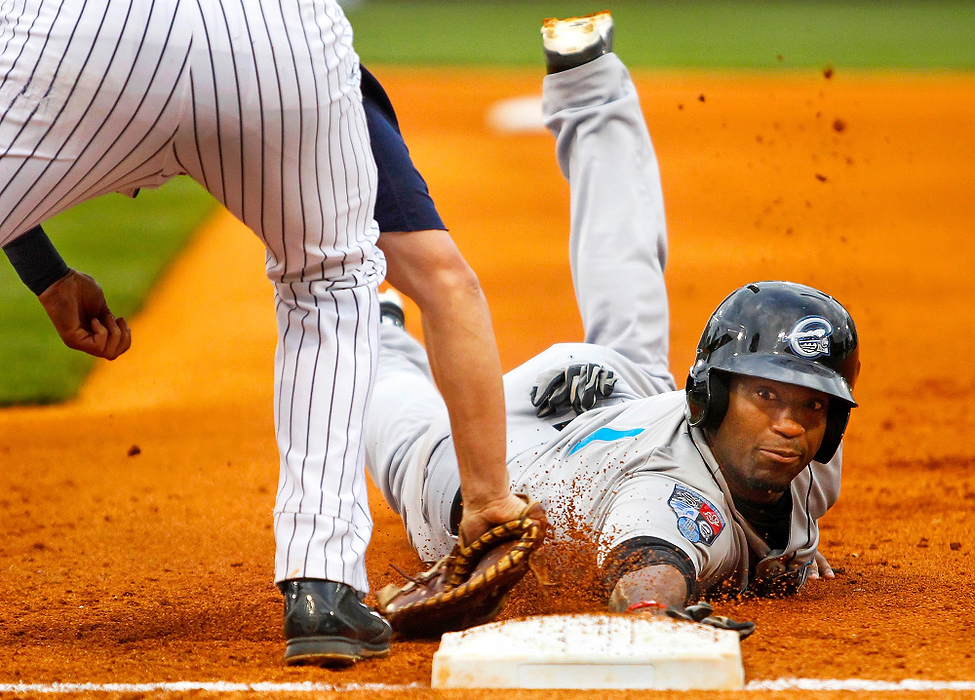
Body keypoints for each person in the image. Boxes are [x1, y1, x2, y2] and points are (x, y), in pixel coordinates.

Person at [0, 0, 522, 666]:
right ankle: (322, 587)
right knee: (328, 285)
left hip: (88, 35)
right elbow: (445, 282)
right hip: (273, 40)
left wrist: (44, 271)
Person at [365, 11, 860, 629]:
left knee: (633, 317)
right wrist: (654, 608)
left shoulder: (807, 462)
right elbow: (648, 570)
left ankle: (588, 81)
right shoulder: (672, 499)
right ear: (710, 392)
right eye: (766, 395)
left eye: (811, 406)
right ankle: (377, 323)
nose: (790, 425)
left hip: (610, 401)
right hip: (480, 466)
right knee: (399, 421)